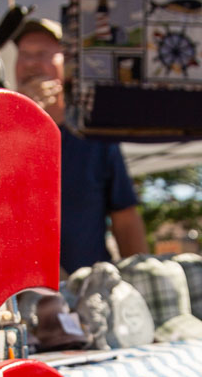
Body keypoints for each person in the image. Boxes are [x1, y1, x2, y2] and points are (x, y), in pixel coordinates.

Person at [13, 18, 147, 274]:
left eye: (41, 54)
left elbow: (125, 217)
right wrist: (20, 118)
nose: (30, 63)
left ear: (68, 62)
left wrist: (142, 280)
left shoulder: (95, 136)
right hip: (14, 296)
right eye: (23, 55)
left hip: (85, 289)